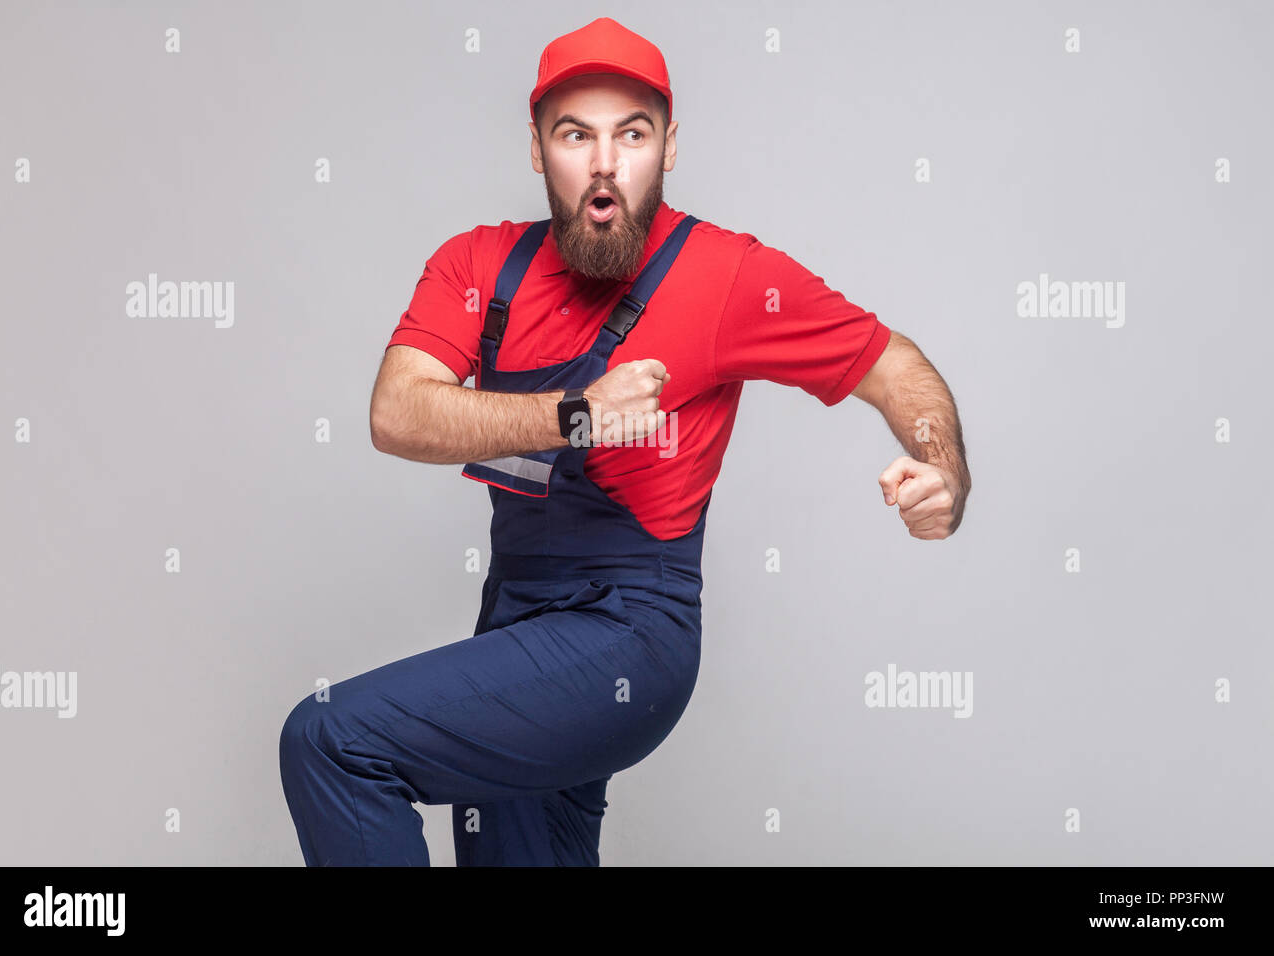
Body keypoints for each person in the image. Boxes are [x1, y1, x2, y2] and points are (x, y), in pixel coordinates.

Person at [279, 16, 971, 866]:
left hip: (629, 633)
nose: (604, 164)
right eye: (576, 135)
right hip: (515, 629)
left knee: (332, 743)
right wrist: (576, 414)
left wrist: (941, 464)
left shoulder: (726, 277)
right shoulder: (477, 267)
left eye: (631, 134)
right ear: (538, 149)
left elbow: (893, 364)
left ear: (669, 146)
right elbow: (399, 413)